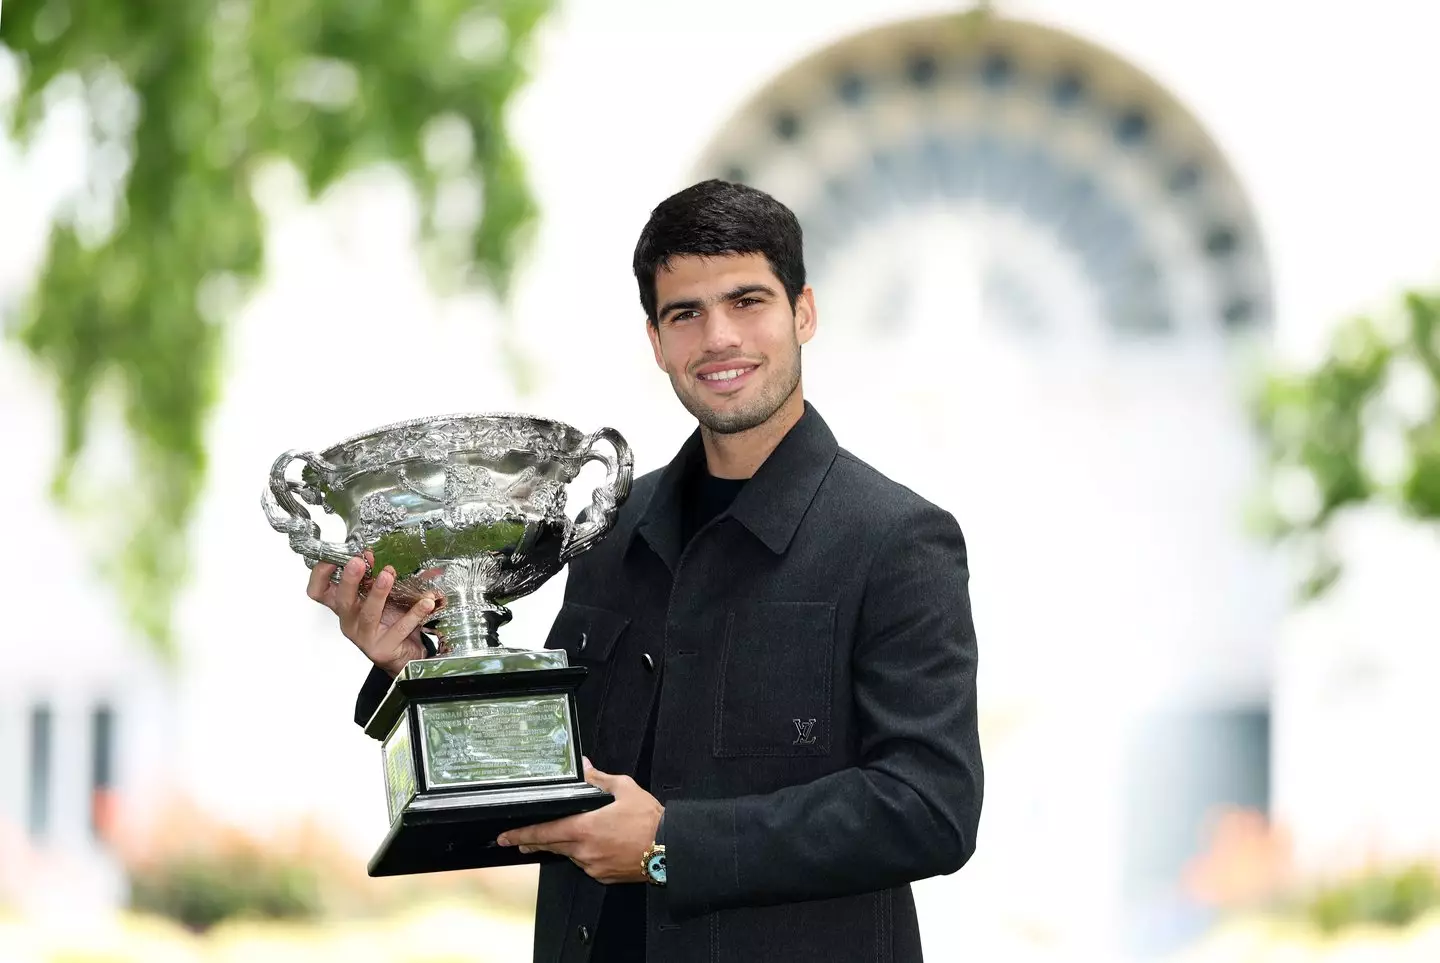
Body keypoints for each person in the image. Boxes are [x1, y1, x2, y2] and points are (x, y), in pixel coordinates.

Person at [309, 179, 984, 962]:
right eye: (685, 313)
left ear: (803, 312)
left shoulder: (896, 539)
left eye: (748, 301)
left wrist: (670, 844)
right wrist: (420, 667)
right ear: (657, 341)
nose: (719, 337)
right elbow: (552, 765)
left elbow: (929, 807)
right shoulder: (612, 528)